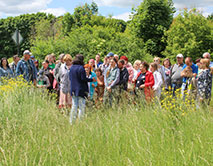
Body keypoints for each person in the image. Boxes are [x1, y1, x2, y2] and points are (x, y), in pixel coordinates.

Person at [69, 54, 96, 124]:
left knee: (74, 105)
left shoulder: (71, 68)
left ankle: (72, 122)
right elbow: (83, 78)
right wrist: (91, 80)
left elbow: (70, 78)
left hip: (73, 89)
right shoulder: (81, 68)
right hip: (81, 89)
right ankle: (80, 122)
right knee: (81, 106)